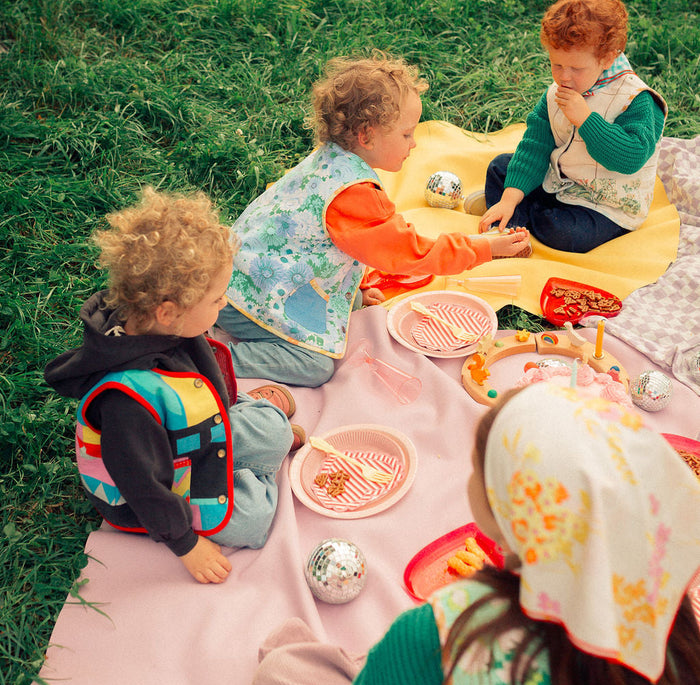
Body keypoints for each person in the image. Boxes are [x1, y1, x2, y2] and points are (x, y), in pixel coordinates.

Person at [249, 383, 700, 685]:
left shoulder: (443, 629)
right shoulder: (670, 620)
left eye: (479, 471)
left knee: (285, 672)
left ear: (504, 517)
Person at [218, 54, 531, 388]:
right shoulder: (354, 195)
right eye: (408, 134)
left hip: (238, 271)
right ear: (366, 136)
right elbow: (410, 252)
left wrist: (355, 288)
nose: (415, 144)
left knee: (342, 313)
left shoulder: (330, 159)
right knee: (316, 366)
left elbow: (335, 243)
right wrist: (484, 247)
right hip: (243, 298)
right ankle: (215, 359)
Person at [44, 187, 298, 584]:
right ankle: (242, 474)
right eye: (216, 300)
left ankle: (246, 452)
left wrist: (232, 415)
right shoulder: (126, 401)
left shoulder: (168, 324)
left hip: (193, 436)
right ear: (169, 311)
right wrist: (186, 544)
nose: (224, 306)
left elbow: (201, 386)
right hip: (162, 483)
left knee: (275, 431)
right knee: (255, 521)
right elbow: (142, 485)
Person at [473, 0, 667, 254]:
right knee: (501, 167)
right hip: (561, 180)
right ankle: (510, 234)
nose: (564, 77)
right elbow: (536, 146)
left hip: (604, 204)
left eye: (576, 68)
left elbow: (630, 158)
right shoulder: (557, 92)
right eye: (557, 65)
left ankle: (520, 214)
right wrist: (509, 197)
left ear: (608, 58)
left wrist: (586, 121)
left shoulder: (636, 99)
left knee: (565, 233)